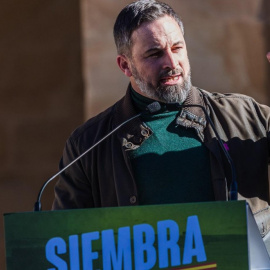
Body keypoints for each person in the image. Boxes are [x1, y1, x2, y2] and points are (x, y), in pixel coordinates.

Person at [52, 0, 270, 235]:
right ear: (125, 65)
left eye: (177, 48)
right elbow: (67, 238)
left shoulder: (246, 115)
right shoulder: (89, 144)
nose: (171, 62)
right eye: (154, 54)